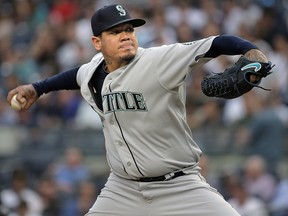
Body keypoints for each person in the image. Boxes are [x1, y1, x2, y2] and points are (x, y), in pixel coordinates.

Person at [7, 4, 271, 216]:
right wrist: (38, 88)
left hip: (179, 186)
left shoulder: (158, 60)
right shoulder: (92, 71)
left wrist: (251, 51)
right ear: (97, 43)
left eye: (129, 30)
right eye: (115, 32)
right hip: (122, 189)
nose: (125, 36)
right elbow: (75, 76)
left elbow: (216, 42)